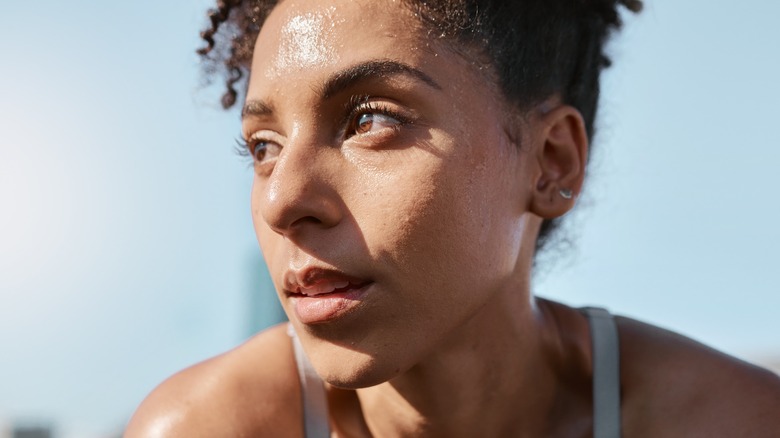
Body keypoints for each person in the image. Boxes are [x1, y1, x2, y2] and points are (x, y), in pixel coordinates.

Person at [126, 0, 780, 436]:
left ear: (551, 162)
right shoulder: (203, 428)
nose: (281, 201)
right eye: (264, 147)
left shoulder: (730, 421)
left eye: (371, 119)